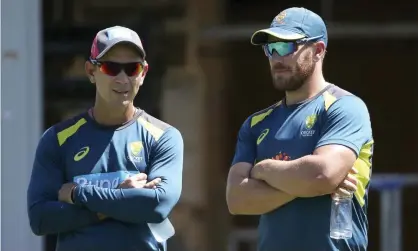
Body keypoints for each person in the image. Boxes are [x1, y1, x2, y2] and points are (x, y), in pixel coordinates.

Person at [226, 7, 373, 251]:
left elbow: (322, 175)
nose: (276, 57)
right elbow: (237, 200)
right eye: (269, 48)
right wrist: (305, 184)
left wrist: (264, 169)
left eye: (286, 46)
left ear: (317, 51)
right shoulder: (255, 123)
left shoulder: (345, 107)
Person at [27, 26, 184, 251]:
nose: (123, 78)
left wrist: (77, 193)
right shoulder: (58, 139)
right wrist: (121, 198)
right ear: (91, 71)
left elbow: (157, 206)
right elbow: (40, 218)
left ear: (144, 73)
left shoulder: (164, 137)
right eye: (111, 68)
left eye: (132, 68)